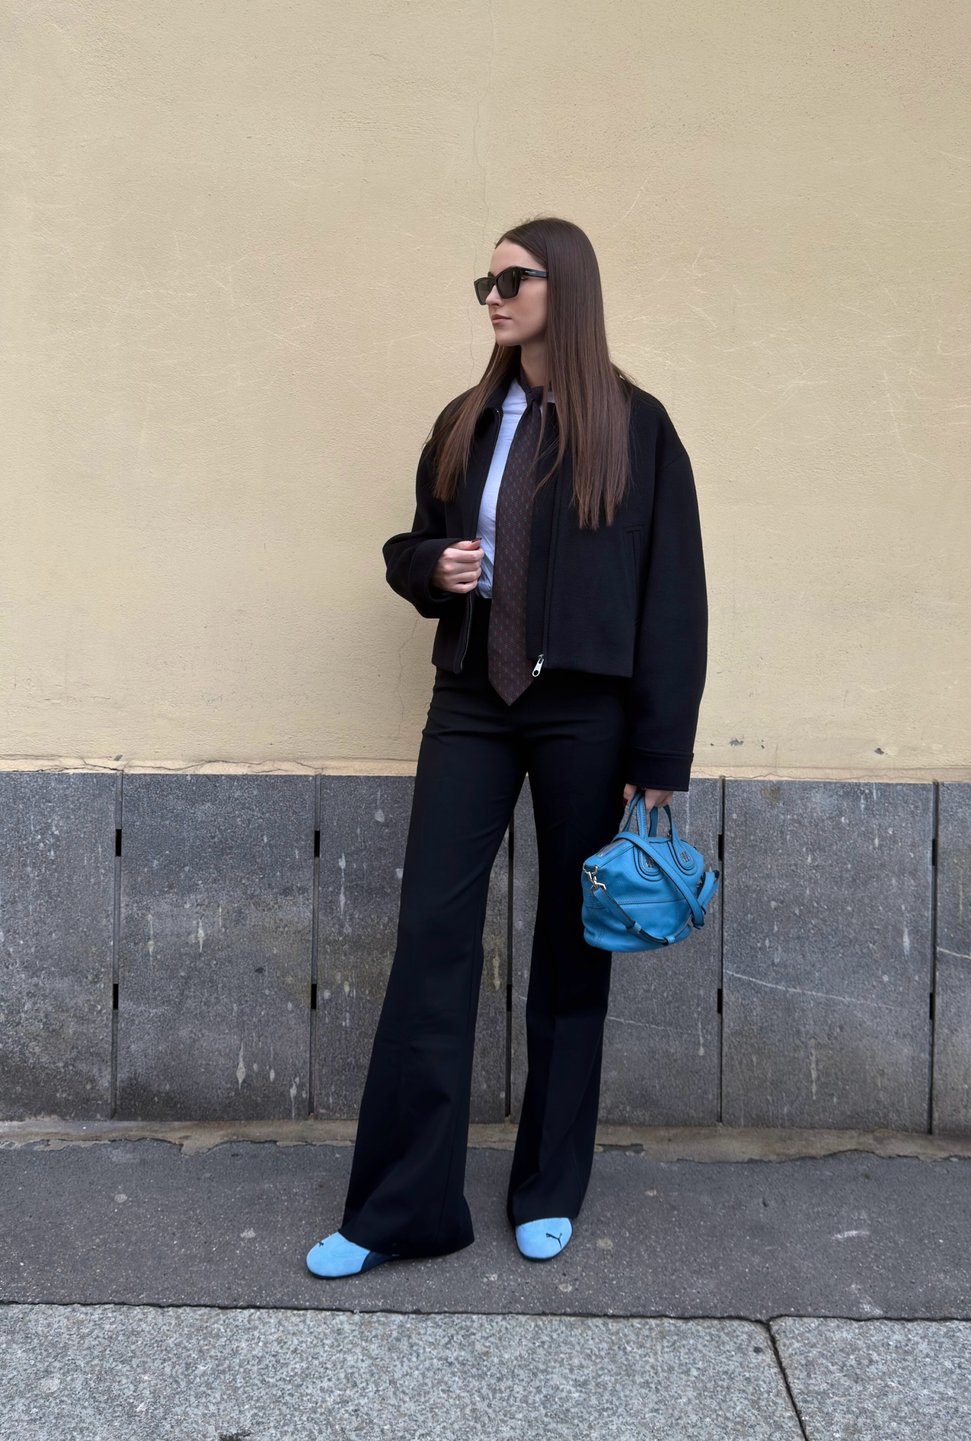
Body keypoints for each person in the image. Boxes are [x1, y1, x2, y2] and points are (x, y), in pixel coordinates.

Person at [306, 215, 708, 1277]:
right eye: (484, 278)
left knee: (572, 952)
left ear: (561, 287)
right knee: (431, 936)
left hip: (587, 711)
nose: (492, 293)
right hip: (473, 700)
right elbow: (411, 543)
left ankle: (548, 1184)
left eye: (512, 277)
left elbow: (675, 598)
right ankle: (399, 1210)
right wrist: (430, 565)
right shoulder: (466, 416)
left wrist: (660, 758)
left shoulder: (637, 425)